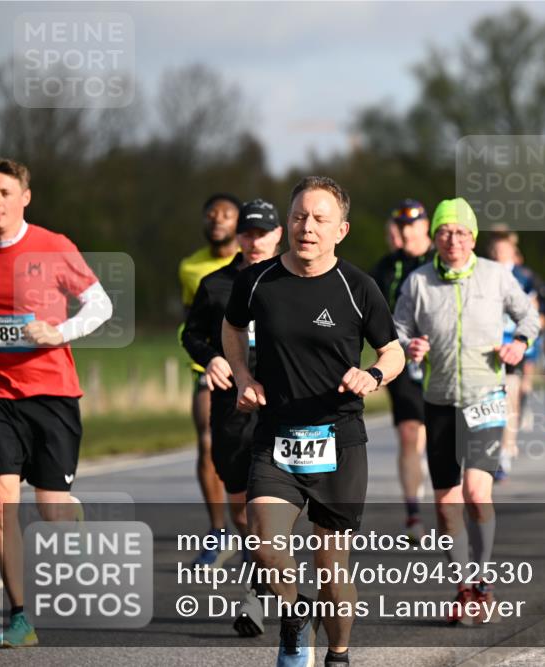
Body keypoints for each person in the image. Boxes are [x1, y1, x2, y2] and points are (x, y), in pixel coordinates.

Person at [222, 176, 404, 666]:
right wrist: (242, 376)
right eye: (300, 216)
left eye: (321, 219)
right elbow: (232, 326)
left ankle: (338, 654)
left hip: (339, 441)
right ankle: (295, 618)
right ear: (288, 221)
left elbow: (393, 351)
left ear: (340, 230)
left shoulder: (357, 286)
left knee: (332, 569)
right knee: (264, 544)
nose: (308, 227)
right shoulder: (257, 280)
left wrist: (373, 375)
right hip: (276, 437)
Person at [0, 157, 113, 648]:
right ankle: (20, 617)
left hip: (51, 394)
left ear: (24, 198)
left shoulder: (53, 247)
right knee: (0, 502)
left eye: (4, 192)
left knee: (51, 513)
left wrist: (56, 331)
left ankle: (70, 512)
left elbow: (101, 305)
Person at [394, 198, 539, 624]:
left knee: (477, 493)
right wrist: (409, 346)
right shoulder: (419, 283)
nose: (453, 240)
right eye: (444, 232)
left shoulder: (496, 276)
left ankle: (484, 579)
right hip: (439, 401)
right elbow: (398, 329)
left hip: (486, 397)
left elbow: (529, 316)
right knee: (446, 504)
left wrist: (519, 344)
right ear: (434, 238)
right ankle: (462, 587)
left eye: (461, 232)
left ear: (473, 238)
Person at [181, 198, 283, 637]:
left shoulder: (295, 279)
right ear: (238, 236)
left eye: (263, 233)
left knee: (269, 509)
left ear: (279, 234)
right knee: (243, 514)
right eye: (247, 233)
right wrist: (211, 359)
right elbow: (192, 334)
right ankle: (259, 566)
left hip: (284, 409)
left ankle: (258, 596)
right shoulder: (215, 284)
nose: (254, 240)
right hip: (232, 410)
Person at [178, 192, 241, 566]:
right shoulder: (190, 267)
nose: (218, 220)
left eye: (227, 215)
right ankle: (218, 531)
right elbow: (192, 322)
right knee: (206, 443)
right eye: (211, 214)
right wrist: (204, 355)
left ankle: (255, 529)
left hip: (252, 368)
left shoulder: (256, 263)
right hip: (209, 368)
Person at [368, 199, 434, 538]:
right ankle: (413, 514)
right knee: (409, 433)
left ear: (425, 226)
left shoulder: (440, 260)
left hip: (443, 360)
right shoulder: (385, 267)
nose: (405, 232)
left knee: (444, 437)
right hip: (404, 360)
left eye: (412, 225)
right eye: (400, 226)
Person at [488, 232, 543, 481]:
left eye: (504, 252)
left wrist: (525, 338)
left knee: (510, 399)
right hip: (489, 346)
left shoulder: (524, 277)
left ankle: (505, 452)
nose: (500, 256)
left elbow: (534, 312)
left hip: (515, 346)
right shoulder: (484, 274)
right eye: (496, 252)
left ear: (513, 254)